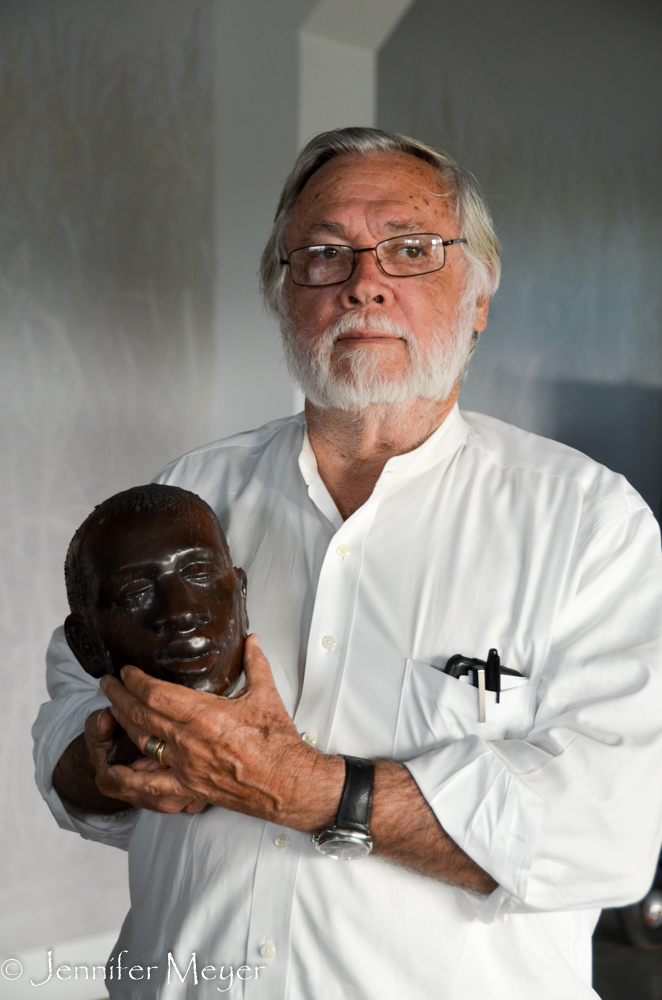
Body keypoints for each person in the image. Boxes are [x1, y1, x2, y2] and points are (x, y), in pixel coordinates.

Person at [33, 127, 662, 1000]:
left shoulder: (589, 523)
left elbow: (608, 834)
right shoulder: (191, 493)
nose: (365, 281)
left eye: (411, 249)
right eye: (324, 255)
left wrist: (317, 792)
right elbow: (71, 703)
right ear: (284, 296)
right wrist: (99, 764)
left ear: (478, 297)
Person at [60, 483, 248, 772]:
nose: (180, 613)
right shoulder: (195, 475)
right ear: (86, 644)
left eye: (200, 573)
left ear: (240, 594)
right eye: (135, 591)